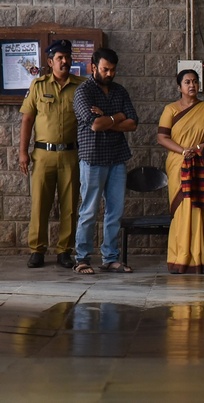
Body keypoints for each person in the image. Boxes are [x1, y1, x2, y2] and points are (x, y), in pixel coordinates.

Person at [19, 40, 85, 269]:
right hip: (42, 154)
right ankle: (37, 250)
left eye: (67, 57)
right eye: (59, 58)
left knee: (70, 205)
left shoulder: (81, 86)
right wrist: (23, 152)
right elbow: (27, 119)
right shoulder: (38, 86)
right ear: (50, 62)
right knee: (40, 203)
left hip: (70, 154)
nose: (64, 61)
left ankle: (64, 251)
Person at [72, 48, 138, 274]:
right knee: (89, 211)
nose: (109, 74)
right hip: (92, 158)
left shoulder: (119, 91)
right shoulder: (83, 92)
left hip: (117, 157)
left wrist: (107, 117)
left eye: (112, 70)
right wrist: (117, 116)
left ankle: (110, 258)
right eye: (105, 69)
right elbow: (95, 124)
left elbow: (133, 123)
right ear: (93, 67)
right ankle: (82, 258)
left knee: (115, 212)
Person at [157, 69, 204, 274]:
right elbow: (162, 138)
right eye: (187, 82)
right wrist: (183, 151)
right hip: (178, 165)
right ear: (179, 87)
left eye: (195, 82)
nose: (192, 85)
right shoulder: (170, 110)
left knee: (201, 208)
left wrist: (201, 147)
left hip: (201, 163)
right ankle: (181, 258)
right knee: (182, 208)